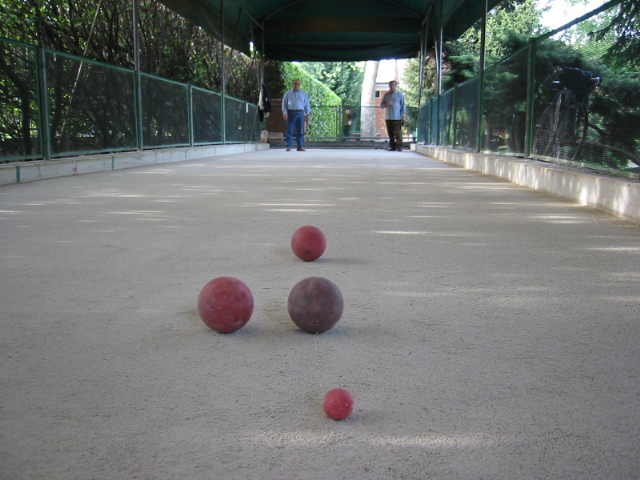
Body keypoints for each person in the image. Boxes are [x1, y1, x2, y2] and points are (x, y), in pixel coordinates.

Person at [282, 80, 311, 151]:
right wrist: (285, 112)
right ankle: (288, 146)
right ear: (292, 84)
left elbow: (306, 104)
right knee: (289, 129)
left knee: (300, 130)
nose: (296, 85)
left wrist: (307, 114)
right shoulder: (287, 93)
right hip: (291, 112)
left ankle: (299, 146)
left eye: (298, 84)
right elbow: (284, 104)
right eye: (295, 84)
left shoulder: (303, 94)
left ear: (300, 85)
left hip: (300, 112)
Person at [380, 80, 406, 152]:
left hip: (397, 117)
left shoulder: (400, 95)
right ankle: (392, 146)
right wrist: (386, 104)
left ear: (396, 86)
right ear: (389, 86)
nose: (392, 86)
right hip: (388, 117)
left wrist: (403, 116)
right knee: (390, 133)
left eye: (393, 85)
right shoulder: (386, 95)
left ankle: (399, 146)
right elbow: (381, 105)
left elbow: (403, 106)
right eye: (390, 85)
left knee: (398, 133)